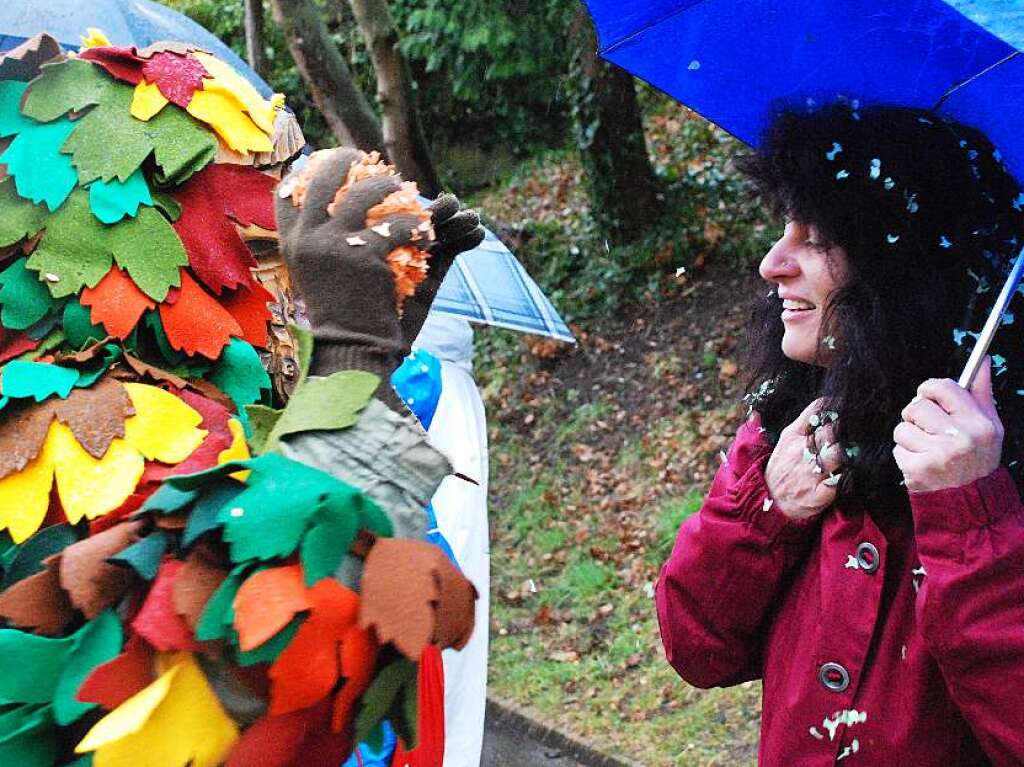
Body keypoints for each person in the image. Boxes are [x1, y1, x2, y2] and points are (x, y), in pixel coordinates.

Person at [655, 103, 1024, 765]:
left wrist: (972, 521)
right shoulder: (791, 425)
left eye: (818, 235)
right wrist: (766, 512)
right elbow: (696, 647)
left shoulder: (995, 472)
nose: (773, 263)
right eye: (782, 225)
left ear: (902, 261)